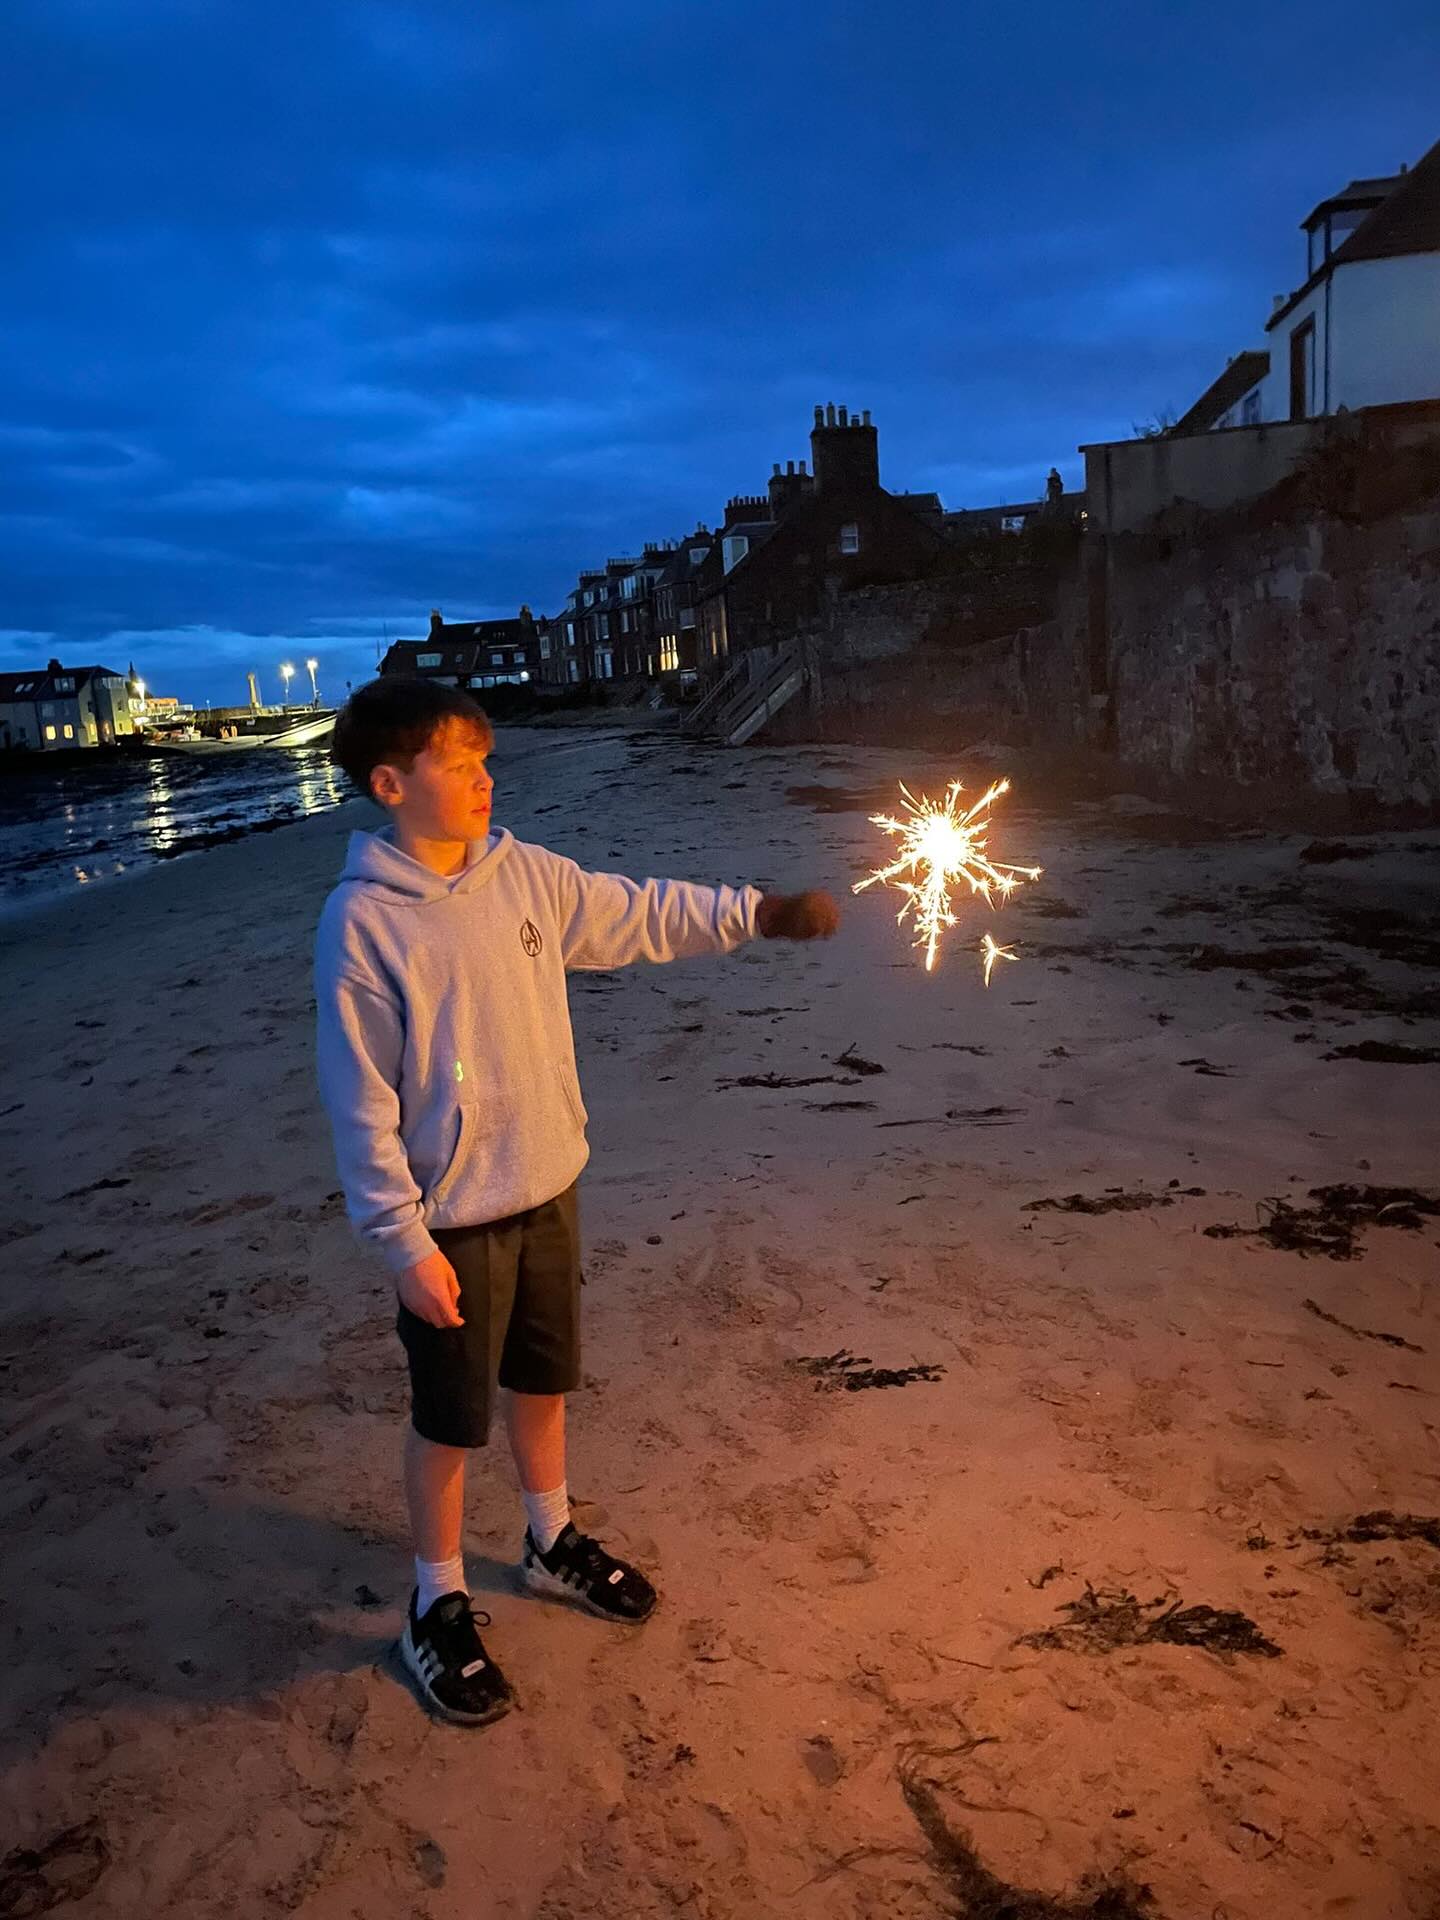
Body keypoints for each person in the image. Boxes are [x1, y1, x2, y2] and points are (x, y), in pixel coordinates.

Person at [314, 677, 839, 1727]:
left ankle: (550, 1539)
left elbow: (634, 913)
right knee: (451, 1425)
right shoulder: (364, 923)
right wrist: (400, 1239)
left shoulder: (528, 881)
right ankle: (438, 1599)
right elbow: (359, 1095)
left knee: (544, 1382)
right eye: (456, 764)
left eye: (483, 757)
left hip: (548, 1184)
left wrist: (758, 913)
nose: (482, 778)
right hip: (450, 1222)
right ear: (389, 785)